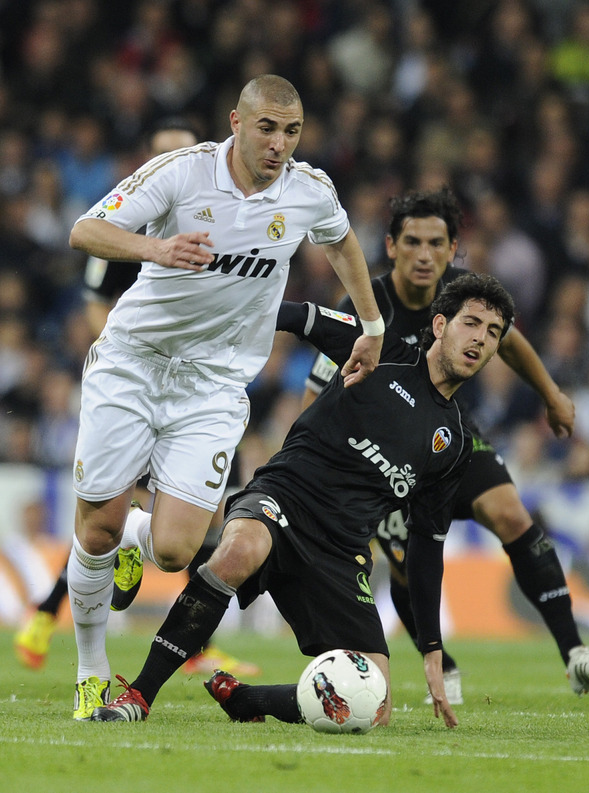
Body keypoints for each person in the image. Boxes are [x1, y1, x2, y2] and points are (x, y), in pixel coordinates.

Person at [65, 74, 384, 721]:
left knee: (179, 549)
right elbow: (84, 231)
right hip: (133, 364)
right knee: (94, 526)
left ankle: (138, 536)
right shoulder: (181, 173)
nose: (279, 143)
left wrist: (372, 324)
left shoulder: (307, 191)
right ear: (237, 123)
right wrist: (156, 246)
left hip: (212, 385)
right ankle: (91, 667)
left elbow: (343, 241)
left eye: (291, 131)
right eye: (267, 128)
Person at [90, 272, 516, 728]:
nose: (480, 339)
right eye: (471, 323)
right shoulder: (382, 350)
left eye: (493, 333)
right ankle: (138, 695)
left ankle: (248, 700)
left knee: (376, 707)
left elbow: (427, 546)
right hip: (284, 497)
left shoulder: (452, 445)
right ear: (439, 325)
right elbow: (295, 315)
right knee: (240, 550)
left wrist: (432, 648)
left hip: (341, 550)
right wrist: (211, 328)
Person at [302, 188, 589, 701]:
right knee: (409, 568)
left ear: (453, 249)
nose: (424, 254)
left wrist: (551, 394)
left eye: (437, 242)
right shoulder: (366, 305)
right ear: (392, 245)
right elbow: (318, 388)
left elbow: (511, 340)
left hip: (452, 440)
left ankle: (575, 654)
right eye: (413, 242)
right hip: (383, 461)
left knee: (514, 516)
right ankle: (442, 666)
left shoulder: (464, 296)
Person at [13, 118, 259, 678]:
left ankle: (61, 614)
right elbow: (99, 308)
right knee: (103, 514)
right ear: (150, 162)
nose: (176, 161)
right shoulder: (130, 227)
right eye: (163, 153)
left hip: (200, 389)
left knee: (193, 527)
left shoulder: (224, 220)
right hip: (135, 385)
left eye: (184, 151)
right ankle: (65, 622)